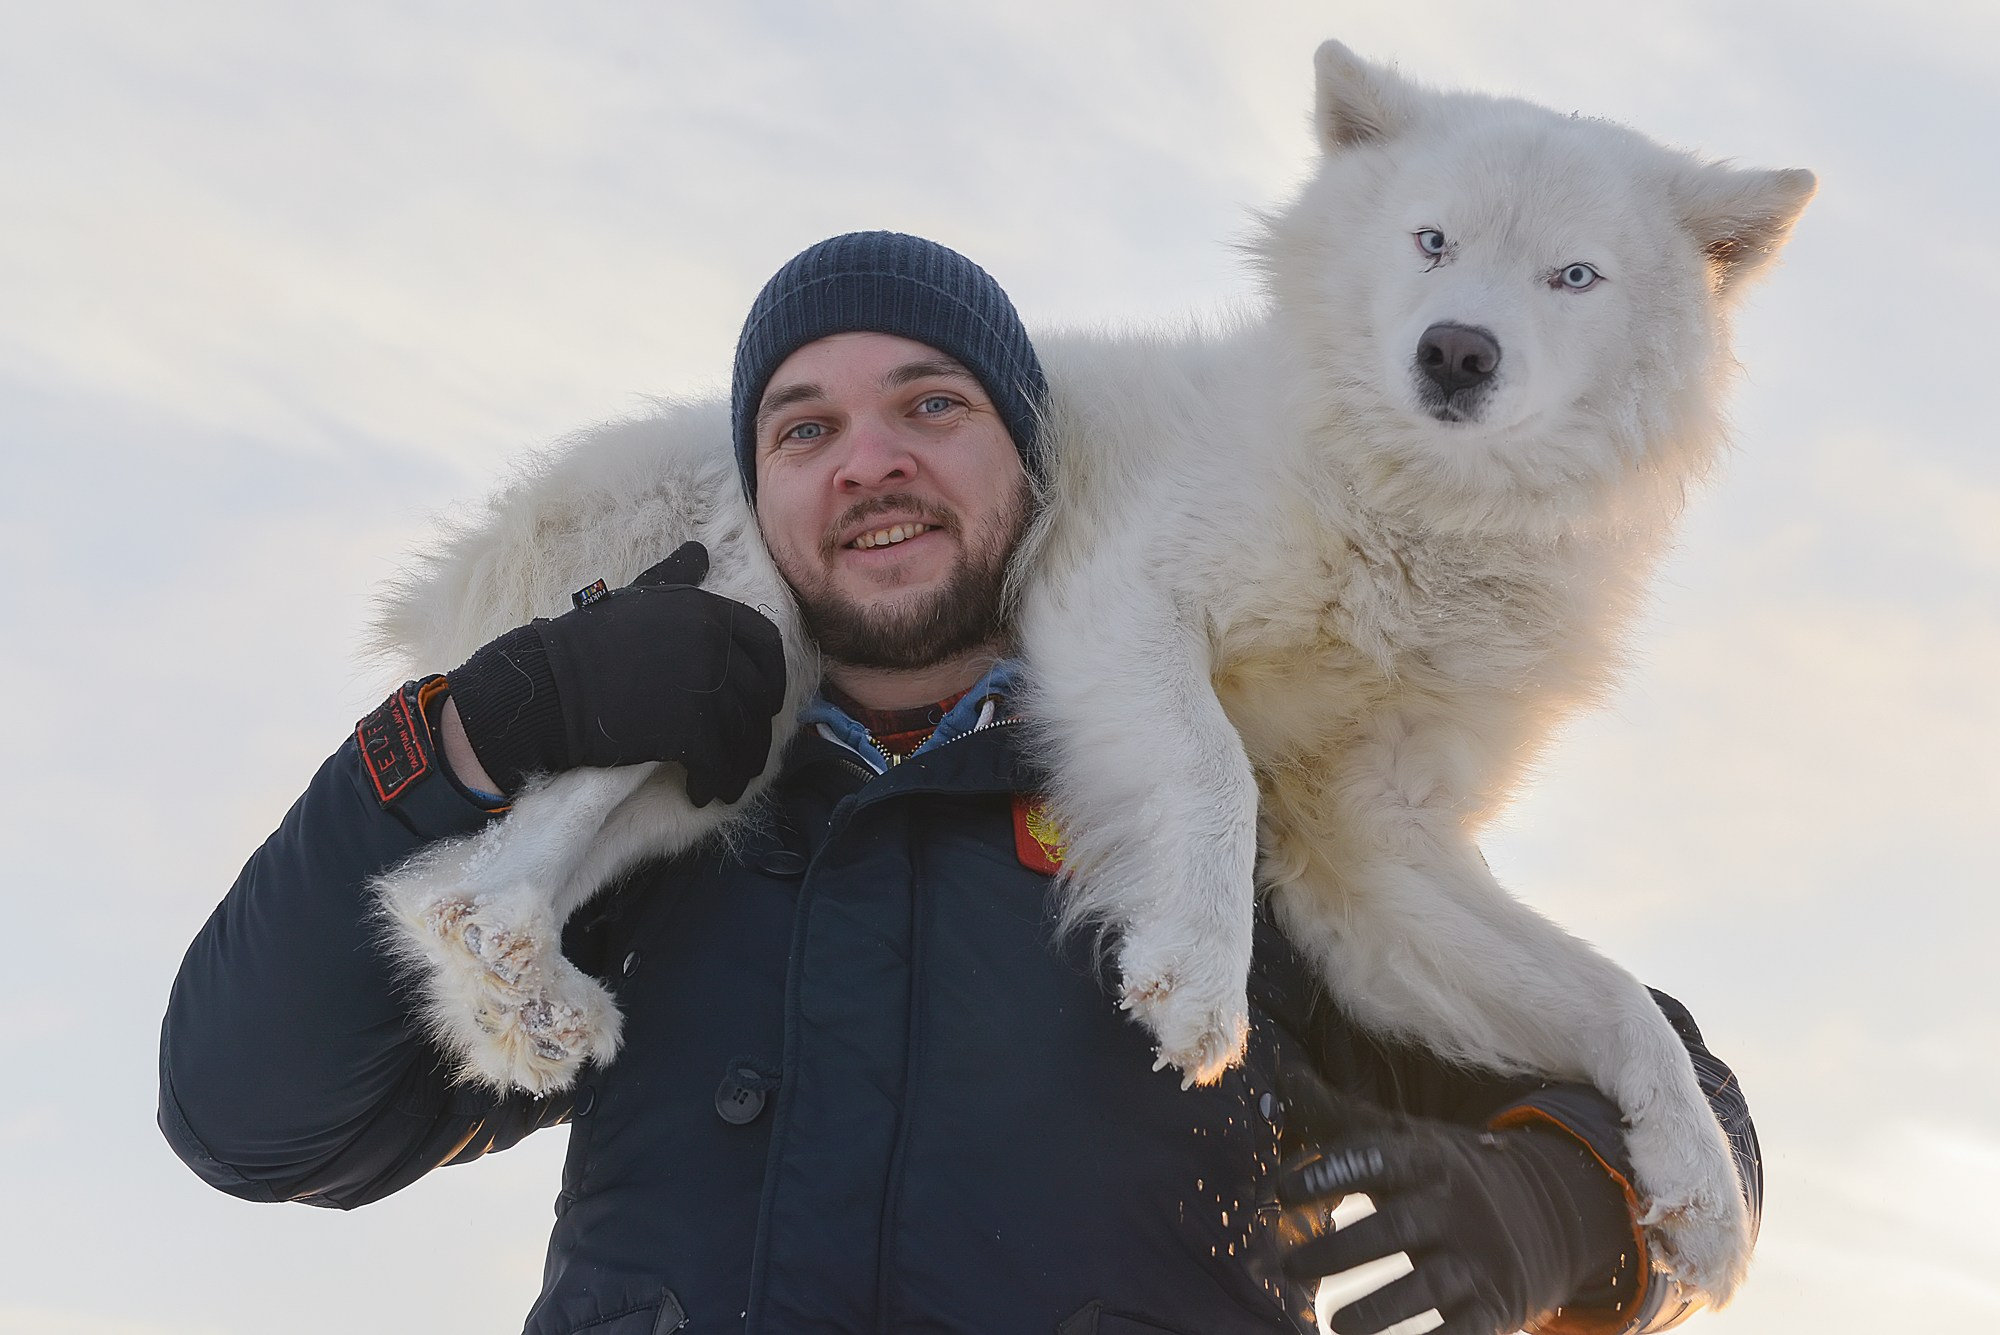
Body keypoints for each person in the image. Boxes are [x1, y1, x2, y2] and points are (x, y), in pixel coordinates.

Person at [160, 232, 1760, 1335]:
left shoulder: (1229, 820)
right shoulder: (646, 853)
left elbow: (1683, 1113)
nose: (871, 458)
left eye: (933, 405)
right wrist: (468, 736)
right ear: (758, 500)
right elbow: (254, 1116)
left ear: (1033, 461)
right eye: (804, 429)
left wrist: (1561, 1206)